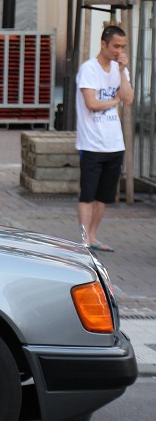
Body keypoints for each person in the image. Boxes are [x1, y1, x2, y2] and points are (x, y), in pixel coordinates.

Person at [76, 25, 134, 253]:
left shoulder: (120, 70)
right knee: (88, 194)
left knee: (104, 196)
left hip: (114, 142)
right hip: (91, 142)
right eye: (116, 46)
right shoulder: (89, 69)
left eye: (123, 47)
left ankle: (93, 235)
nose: (119, 51)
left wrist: (121, 71)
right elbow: (91, 103)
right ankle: (83, 239)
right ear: (104, 44)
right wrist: (114, 102)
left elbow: (128, 98)